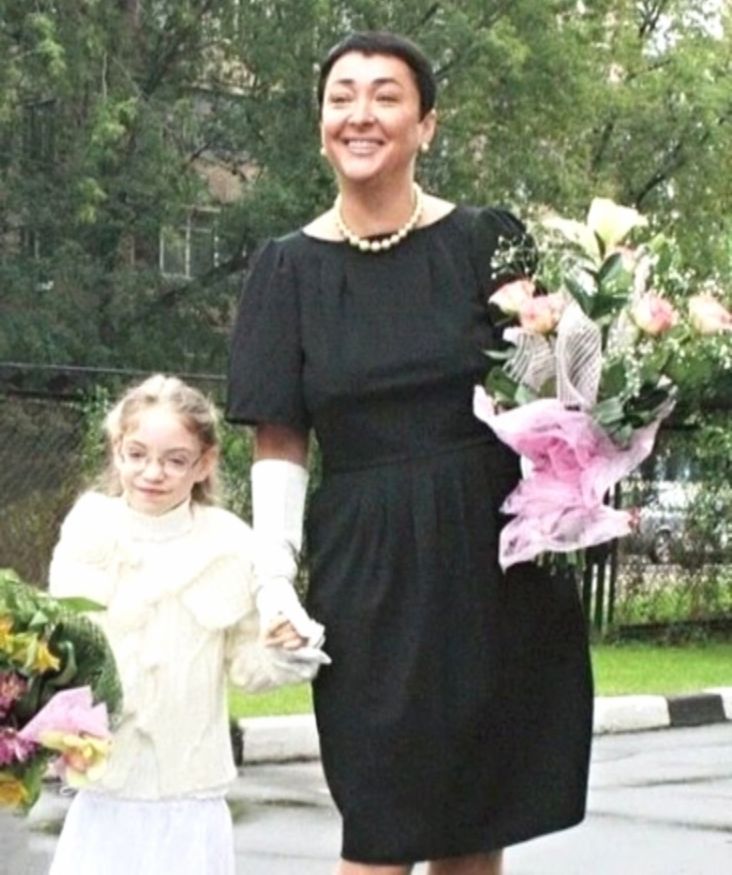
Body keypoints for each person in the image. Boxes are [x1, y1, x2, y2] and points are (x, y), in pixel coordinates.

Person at [226, 31, 593, 875]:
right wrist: (274, 577)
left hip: (492, 556)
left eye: (386, 96)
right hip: (368, 566)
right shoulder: (286, 270)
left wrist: (586, 383)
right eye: (342, 96)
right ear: (321, 125)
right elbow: (278, 437)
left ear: (427, 125)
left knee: (471, 825)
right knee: (381, 827)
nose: (361, 114)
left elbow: (552, 387)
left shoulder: (486, 240)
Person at [47, 374, 328, 875]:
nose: (153, 472)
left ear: (204, 463)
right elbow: (60, 649)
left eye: (175, 460)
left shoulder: (232, 546)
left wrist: (283, 649)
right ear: (117, 450)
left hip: (190, 796)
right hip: (107, 788)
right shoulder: (90, 528)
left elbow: (247, 667)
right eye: (137, 455)